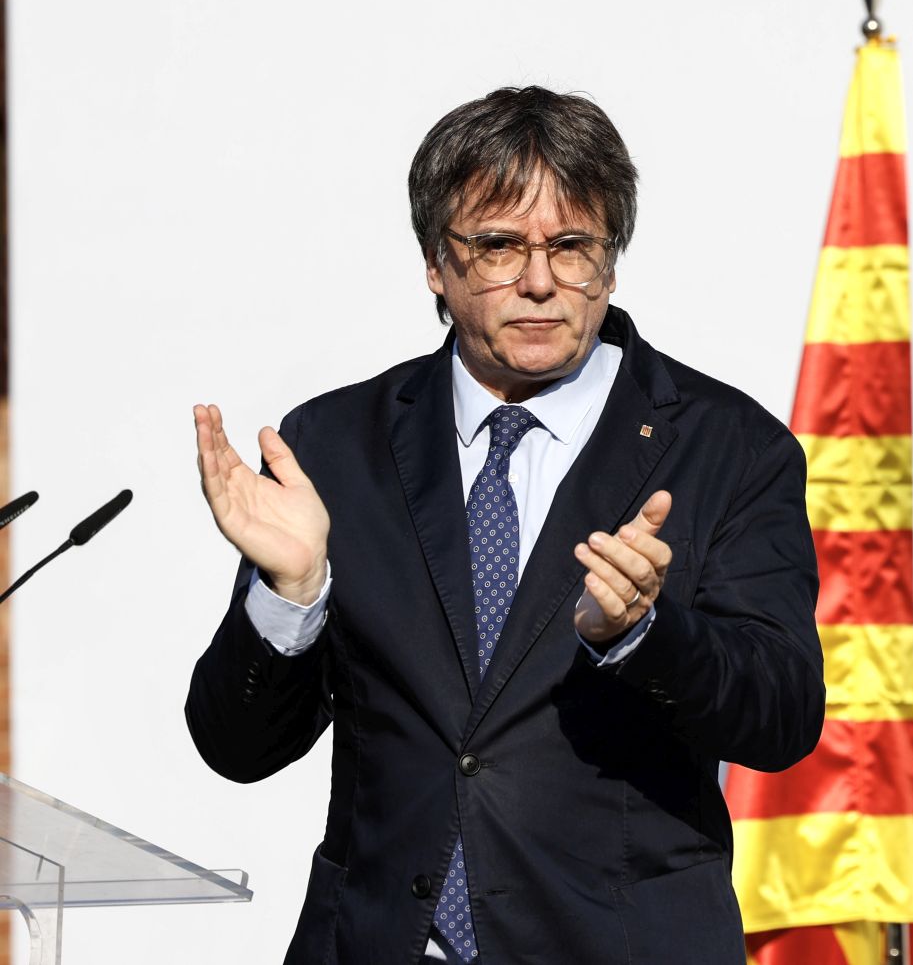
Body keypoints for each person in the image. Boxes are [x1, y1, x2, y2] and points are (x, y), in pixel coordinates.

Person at [185, 86, 825, 964]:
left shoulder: (729, 446)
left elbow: (784, 716)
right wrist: (292, 597)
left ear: (611, 261)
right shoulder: (333, 447)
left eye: (572, 246)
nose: (538, 280)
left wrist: (646, 634)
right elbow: (237, 747)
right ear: (435, 264)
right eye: (497, 246)